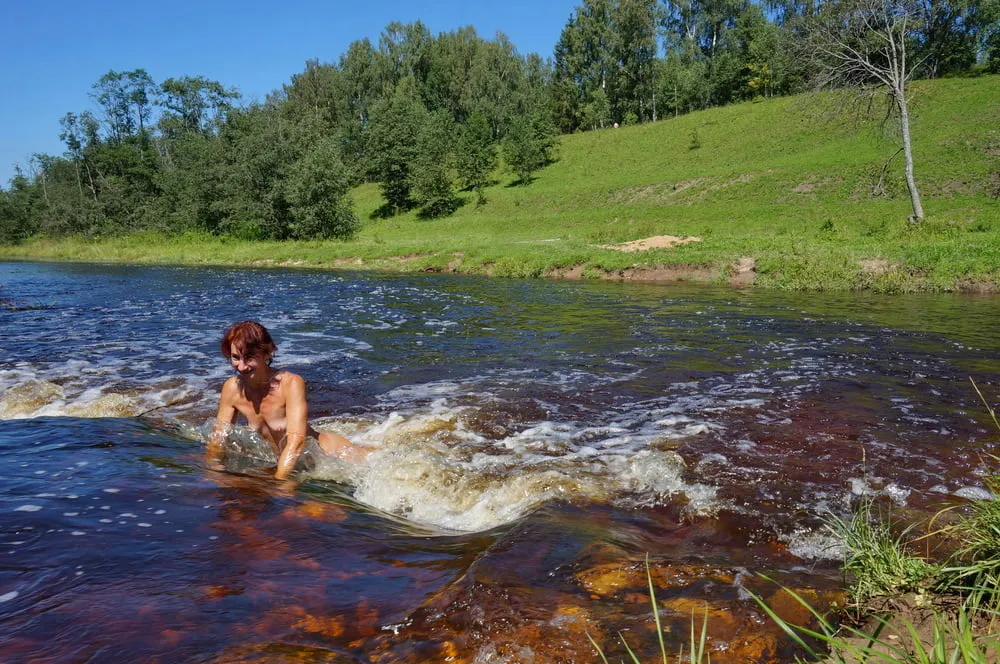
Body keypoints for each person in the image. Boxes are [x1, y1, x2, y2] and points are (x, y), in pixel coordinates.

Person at [208, 320, 368, 479]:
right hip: (287, 463)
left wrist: (279, 480)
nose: (241, 366)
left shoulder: (290, 384)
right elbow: (218, 438)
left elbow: (296, 442)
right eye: (236, 357)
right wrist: (213, 471)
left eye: (249, 357)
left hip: (331, 457)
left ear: (267, 353)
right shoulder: (232, 388)